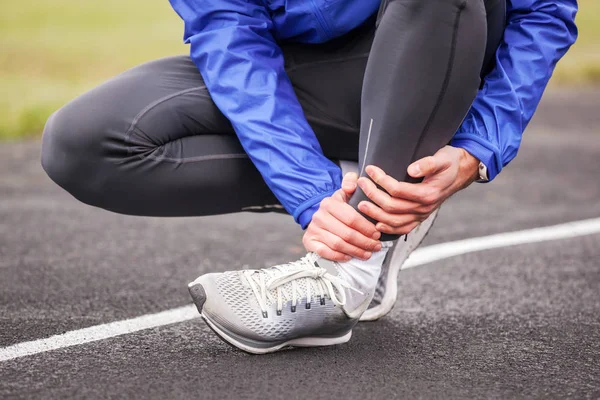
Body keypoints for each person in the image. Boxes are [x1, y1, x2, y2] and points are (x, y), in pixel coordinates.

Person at [40, 0, 577, 354]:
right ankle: (371, 200)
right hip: (317, 73)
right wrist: (311, 192)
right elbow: (230, 37)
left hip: (442, 43)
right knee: (83, 142)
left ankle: (349, 270)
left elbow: (546, 10)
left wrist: (478, 145)